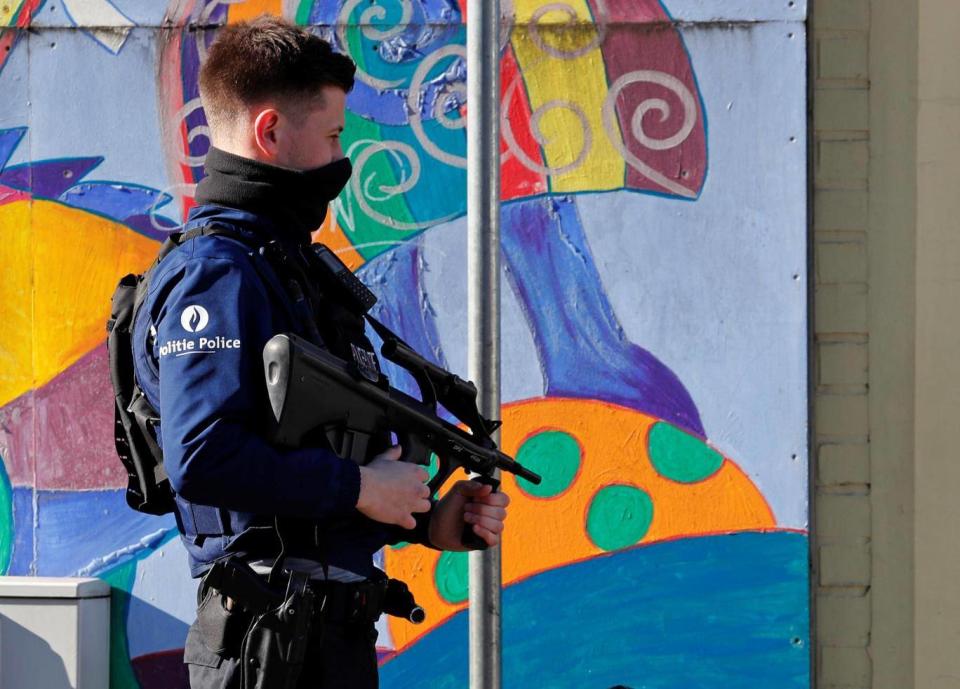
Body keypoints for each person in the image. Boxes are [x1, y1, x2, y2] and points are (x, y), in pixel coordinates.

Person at [131, 16, 510, 689]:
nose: (343, 155)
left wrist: (428, 519)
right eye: (334, 134)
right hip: (268, 647)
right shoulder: (217, 274)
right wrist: (362, 487)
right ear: (270, 131)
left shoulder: (288, 267)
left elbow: (312, 460)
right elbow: (204, 455)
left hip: (323, 637)